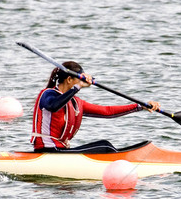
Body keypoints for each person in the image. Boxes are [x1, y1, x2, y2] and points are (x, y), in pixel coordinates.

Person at [30, 61, 160, 153]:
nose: (81, 83)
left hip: (61, 150)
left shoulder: (75, 102)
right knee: (106, 147)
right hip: (48, 149)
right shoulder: (47, 94)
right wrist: (78, 86)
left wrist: (139, 106)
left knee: (106, 145)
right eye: (78, 80)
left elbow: (106, 111)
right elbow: (53, 106)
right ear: (69, 80)